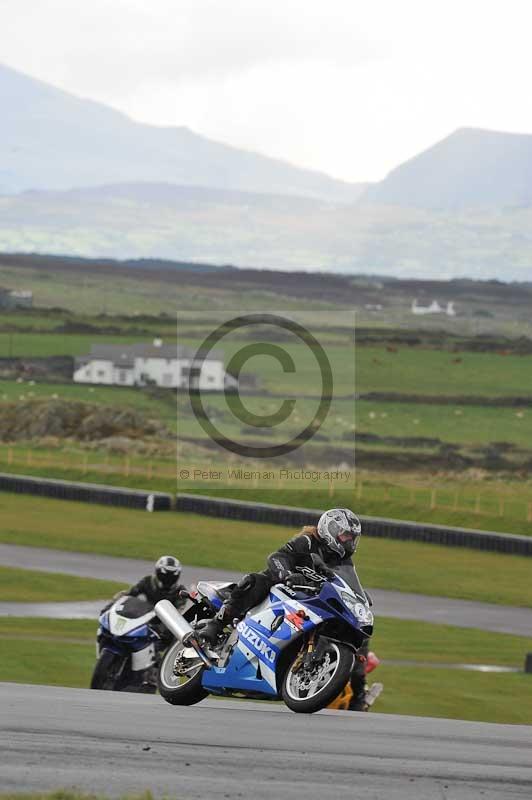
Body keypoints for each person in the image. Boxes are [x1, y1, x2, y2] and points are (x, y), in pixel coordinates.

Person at [199, 508, 371, 708]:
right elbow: (277, 557)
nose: (348, 541)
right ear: (330, 529)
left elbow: (348, 584)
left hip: (304, 598)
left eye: (352, 538)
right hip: (279, 585)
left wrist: (359, 597)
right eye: (345, 535)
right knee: (254, 581)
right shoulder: (307, 541)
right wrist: (286, 574)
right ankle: (216, 624)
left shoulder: (343, 561)